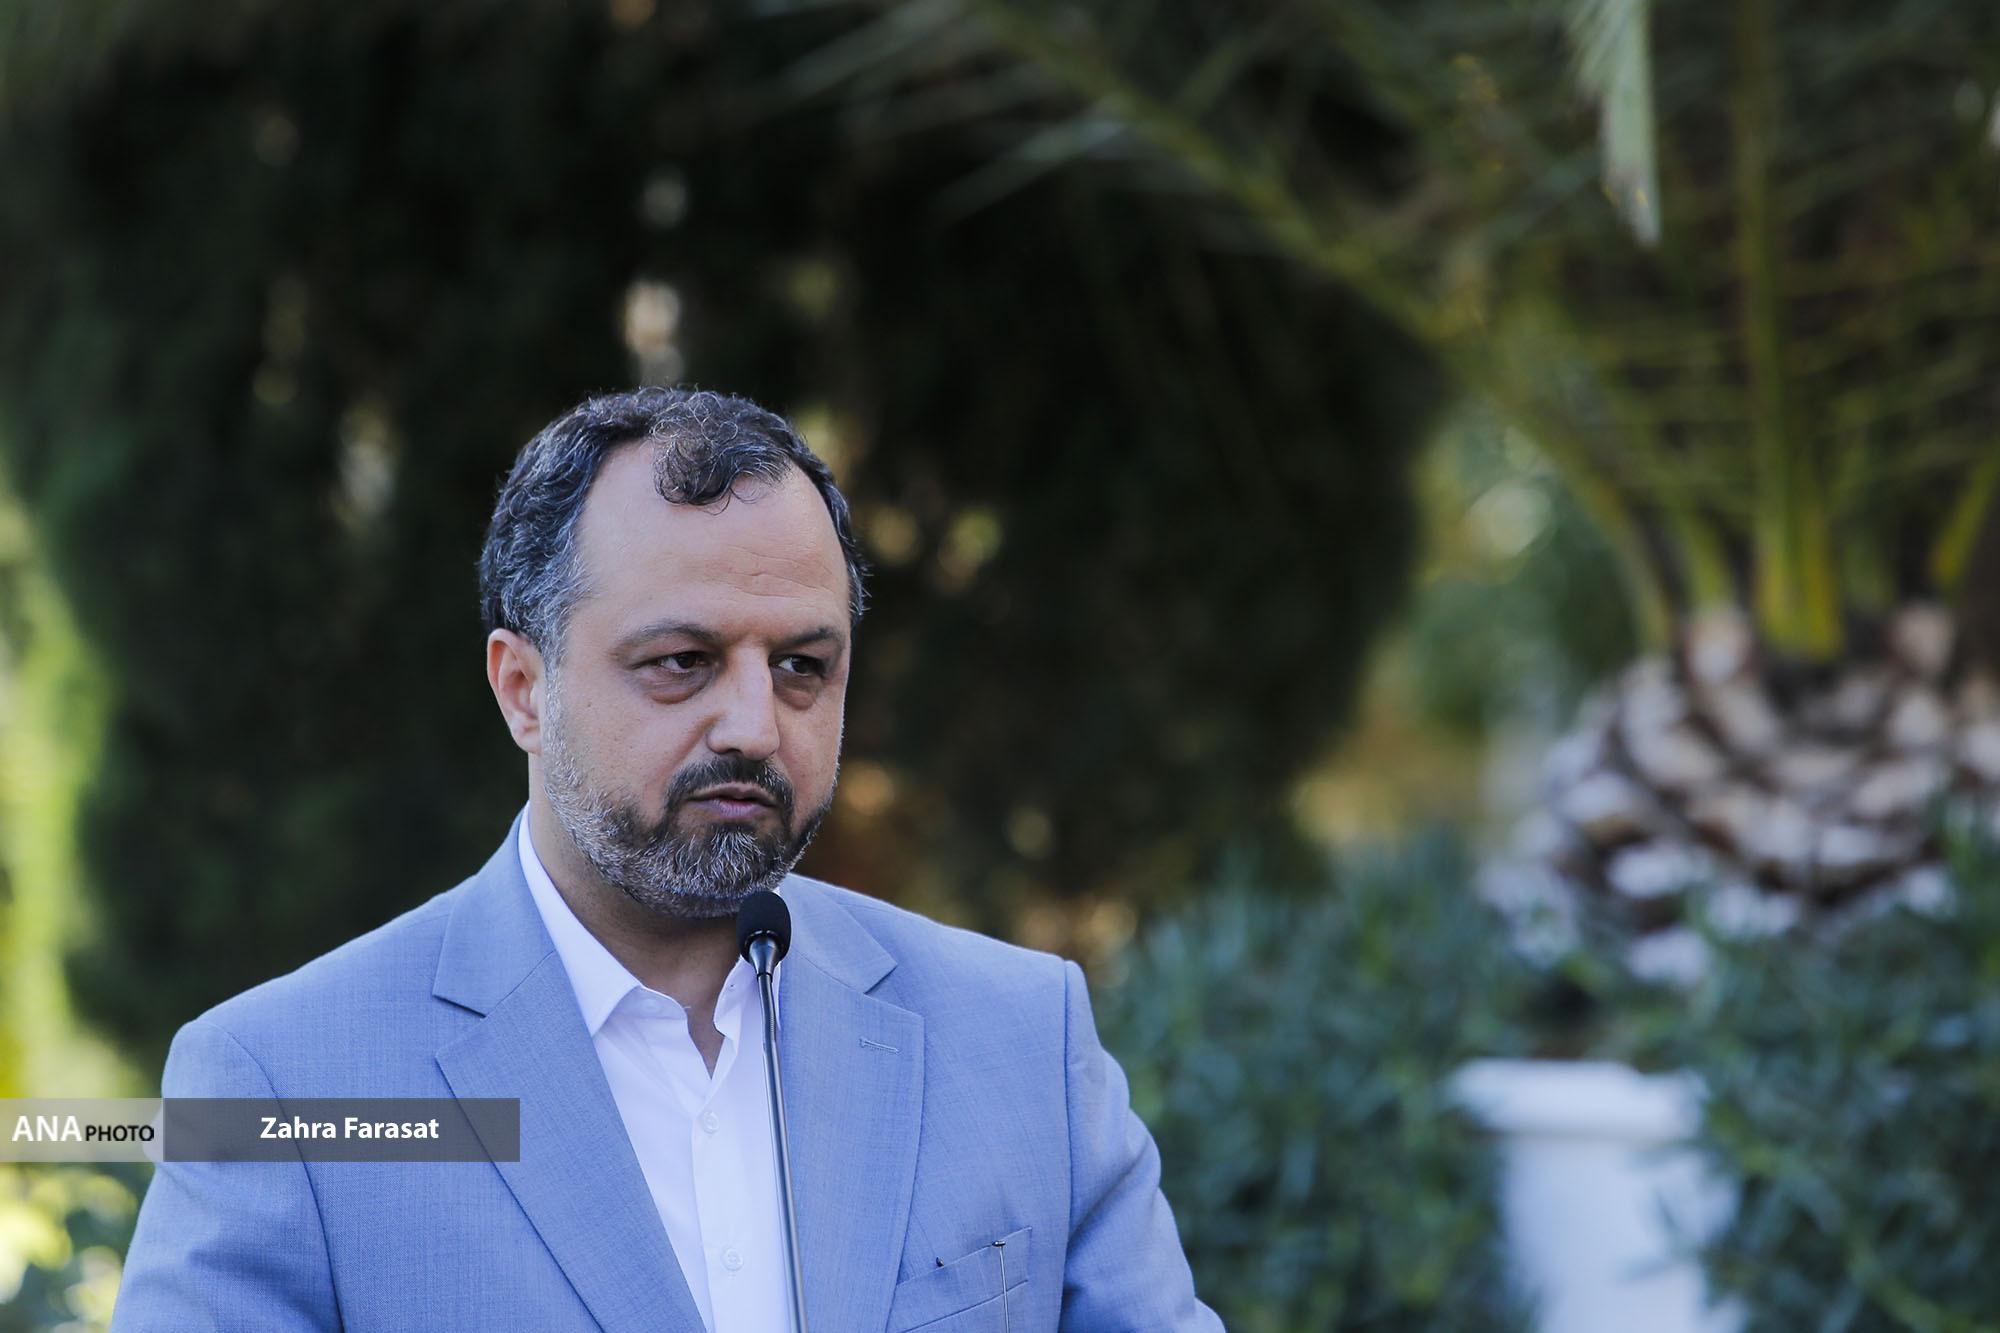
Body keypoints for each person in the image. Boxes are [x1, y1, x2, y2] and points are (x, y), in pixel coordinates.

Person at [113, 387, 1221, 1331]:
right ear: (522, 689)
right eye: (682, 660)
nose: (754, 724)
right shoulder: (279, 1086)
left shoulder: (1021, 1041)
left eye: (802, 666)